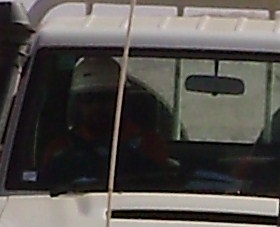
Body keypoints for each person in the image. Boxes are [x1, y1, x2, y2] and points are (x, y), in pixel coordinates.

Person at [40, 56, 178, 193]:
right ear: (78, 104)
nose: (96, 106)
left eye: (104, 98)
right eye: (88, 99)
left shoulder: (148, 144)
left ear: (121, 99)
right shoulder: (59, 148)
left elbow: (158, 189)